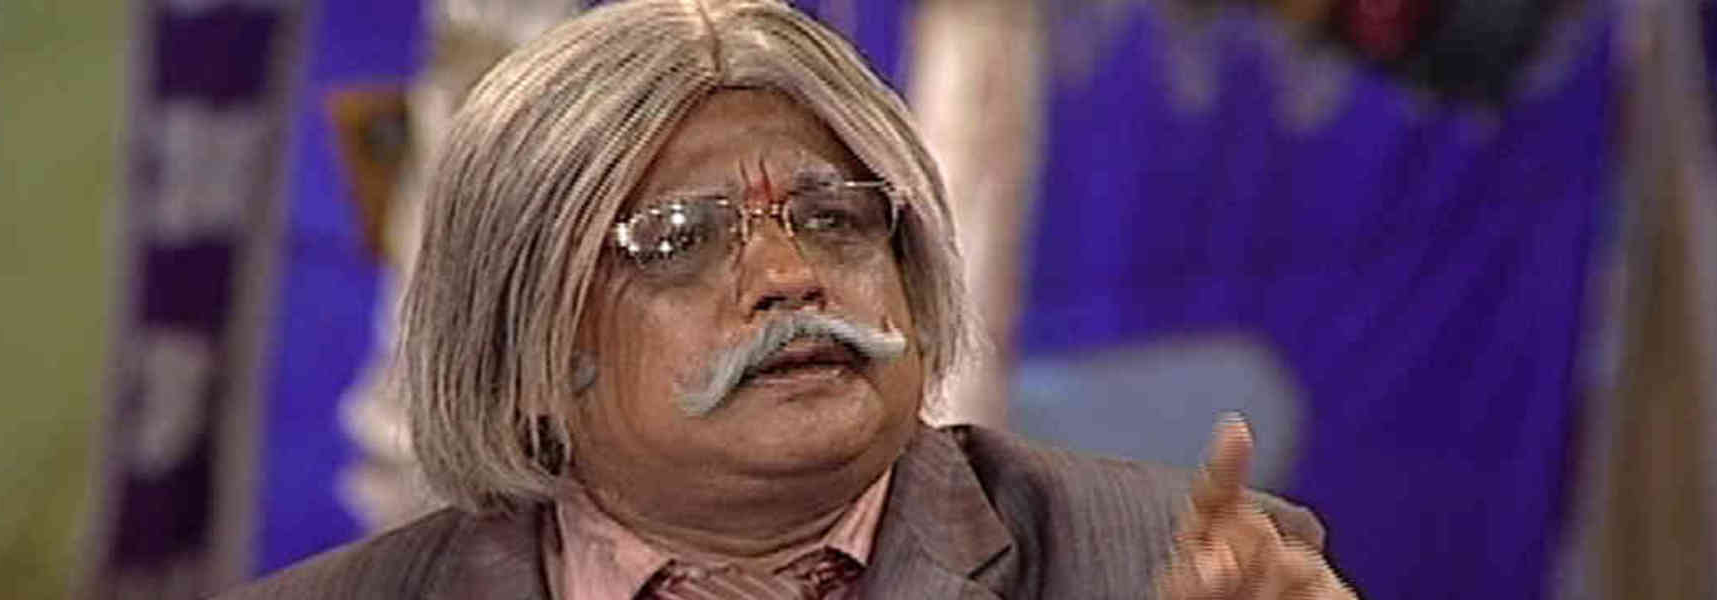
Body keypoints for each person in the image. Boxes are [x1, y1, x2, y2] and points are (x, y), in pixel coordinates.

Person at [223, 0, 1354, 597]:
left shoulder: (1160, 569)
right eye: (677, 241)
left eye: (835, 218)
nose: (788, 278)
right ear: (523, 343)